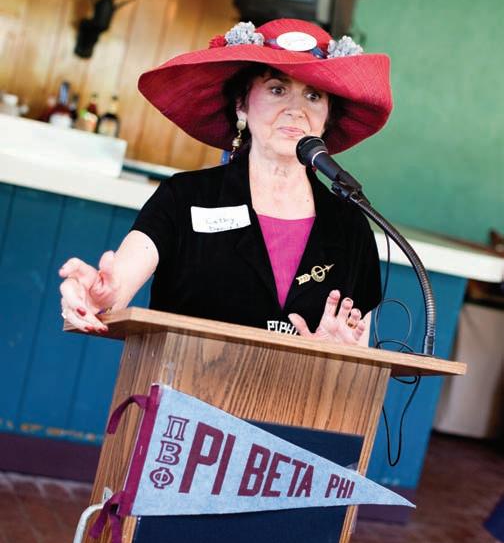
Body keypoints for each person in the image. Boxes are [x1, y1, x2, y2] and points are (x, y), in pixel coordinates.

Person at [59, 18, 392, 346]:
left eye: (314, 96)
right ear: (241, 105)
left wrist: (340, 355)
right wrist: (95, 297)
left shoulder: (350, 226)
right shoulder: (184, 198)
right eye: (277, 89)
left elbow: (356, 348)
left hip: (304, 386)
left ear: (328, 116)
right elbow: (114, 290)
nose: (296, 109)